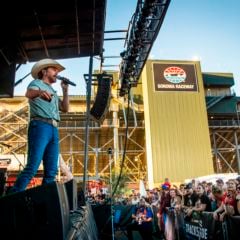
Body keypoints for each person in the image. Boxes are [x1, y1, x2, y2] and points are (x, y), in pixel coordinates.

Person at [10, 58, 69, 193]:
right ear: (44, 71)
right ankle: (12, 197)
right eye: (54, 69)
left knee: (51, 171)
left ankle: (44, 203)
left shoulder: (53, 91)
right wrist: (39, 93)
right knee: (33, 166)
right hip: (40, 125)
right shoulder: (36, 83)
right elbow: (28, 93)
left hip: (54, 128)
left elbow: (65, 108)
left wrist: (65, 90)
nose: (56, 72)